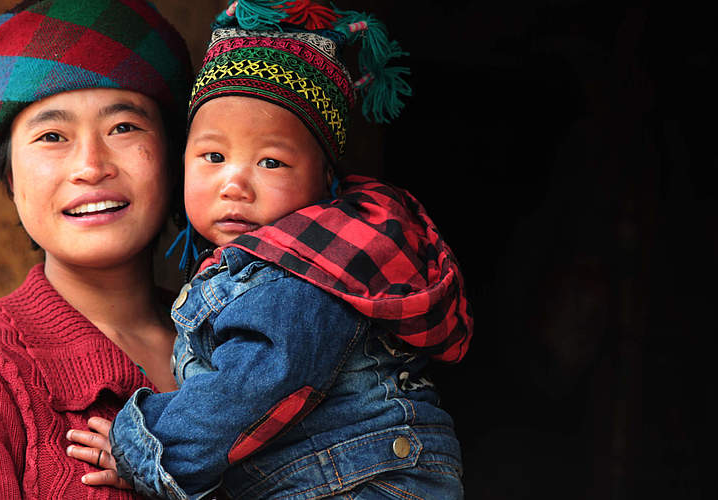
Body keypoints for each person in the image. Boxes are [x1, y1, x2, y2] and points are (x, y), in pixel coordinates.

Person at [65, 1, 474, 498]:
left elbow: (249, 389)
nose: (235, 183)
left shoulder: (300, 277)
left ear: (325, 181)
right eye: (213, 156)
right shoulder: (253, 267)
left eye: (271, 162)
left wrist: (143, 446)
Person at [0, 0, 192, 498]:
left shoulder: (247, 344)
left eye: (124, 128)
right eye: (52, 135)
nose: (91, 166)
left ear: (176, 158)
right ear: (8, 173)